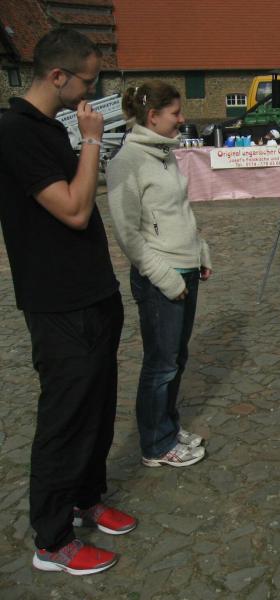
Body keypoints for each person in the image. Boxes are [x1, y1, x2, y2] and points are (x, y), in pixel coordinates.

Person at [0, 28, 135, 576]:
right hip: (58, 302)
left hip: (93, 291)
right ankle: (52, 539)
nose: (92, 93)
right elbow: (75, 209)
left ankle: (85, 498)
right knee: (65, 418)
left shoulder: (51, 127)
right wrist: (93, 142)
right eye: (88, 81)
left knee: (98, 408)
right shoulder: (14, 131)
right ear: (57, 76)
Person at [106, 81, 212, 469]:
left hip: (184, 269)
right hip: (161, 278)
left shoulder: (165, 153)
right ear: (152, 116)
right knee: (161, 364)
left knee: (176, 359)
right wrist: (163, 276)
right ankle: (155, 444)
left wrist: (200, 250)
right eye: (175, 113)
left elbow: (178, 211)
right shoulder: (127, 161)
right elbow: (128, 232)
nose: (182, 119)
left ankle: (166, 425)